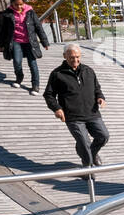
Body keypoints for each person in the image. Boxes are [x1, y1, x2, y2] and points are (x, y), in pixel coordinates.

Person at [43, 43, 108, 171]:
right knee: (84, 143)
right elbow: (48, 95)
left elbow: (96, 88)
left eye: (78, 57)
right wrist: (56, 108)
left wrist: (100, 97)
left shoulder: (88, 71)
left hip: (92, 113)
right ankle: (87, 169)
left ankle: (92, 153)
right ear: (64, 56)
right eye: (72, 57)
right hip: (73, 117)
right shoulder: (57, 74)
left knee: (103, 136)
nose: (75, 60)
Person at [0, 0, 51, 92]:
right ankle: (19, 77)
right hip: (16, 41)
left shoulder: (30, 12)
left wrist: (44, 42)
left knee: (32, 63)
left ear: (24, 3)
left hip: (30, 42)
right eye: (16, 4)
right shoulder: (7, 14)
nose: (19, 6)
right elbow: (2, 30)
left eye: (21, 4)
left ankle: (35, 84)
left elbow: (39, 28)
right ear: (11, 3)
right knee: (17, 61)